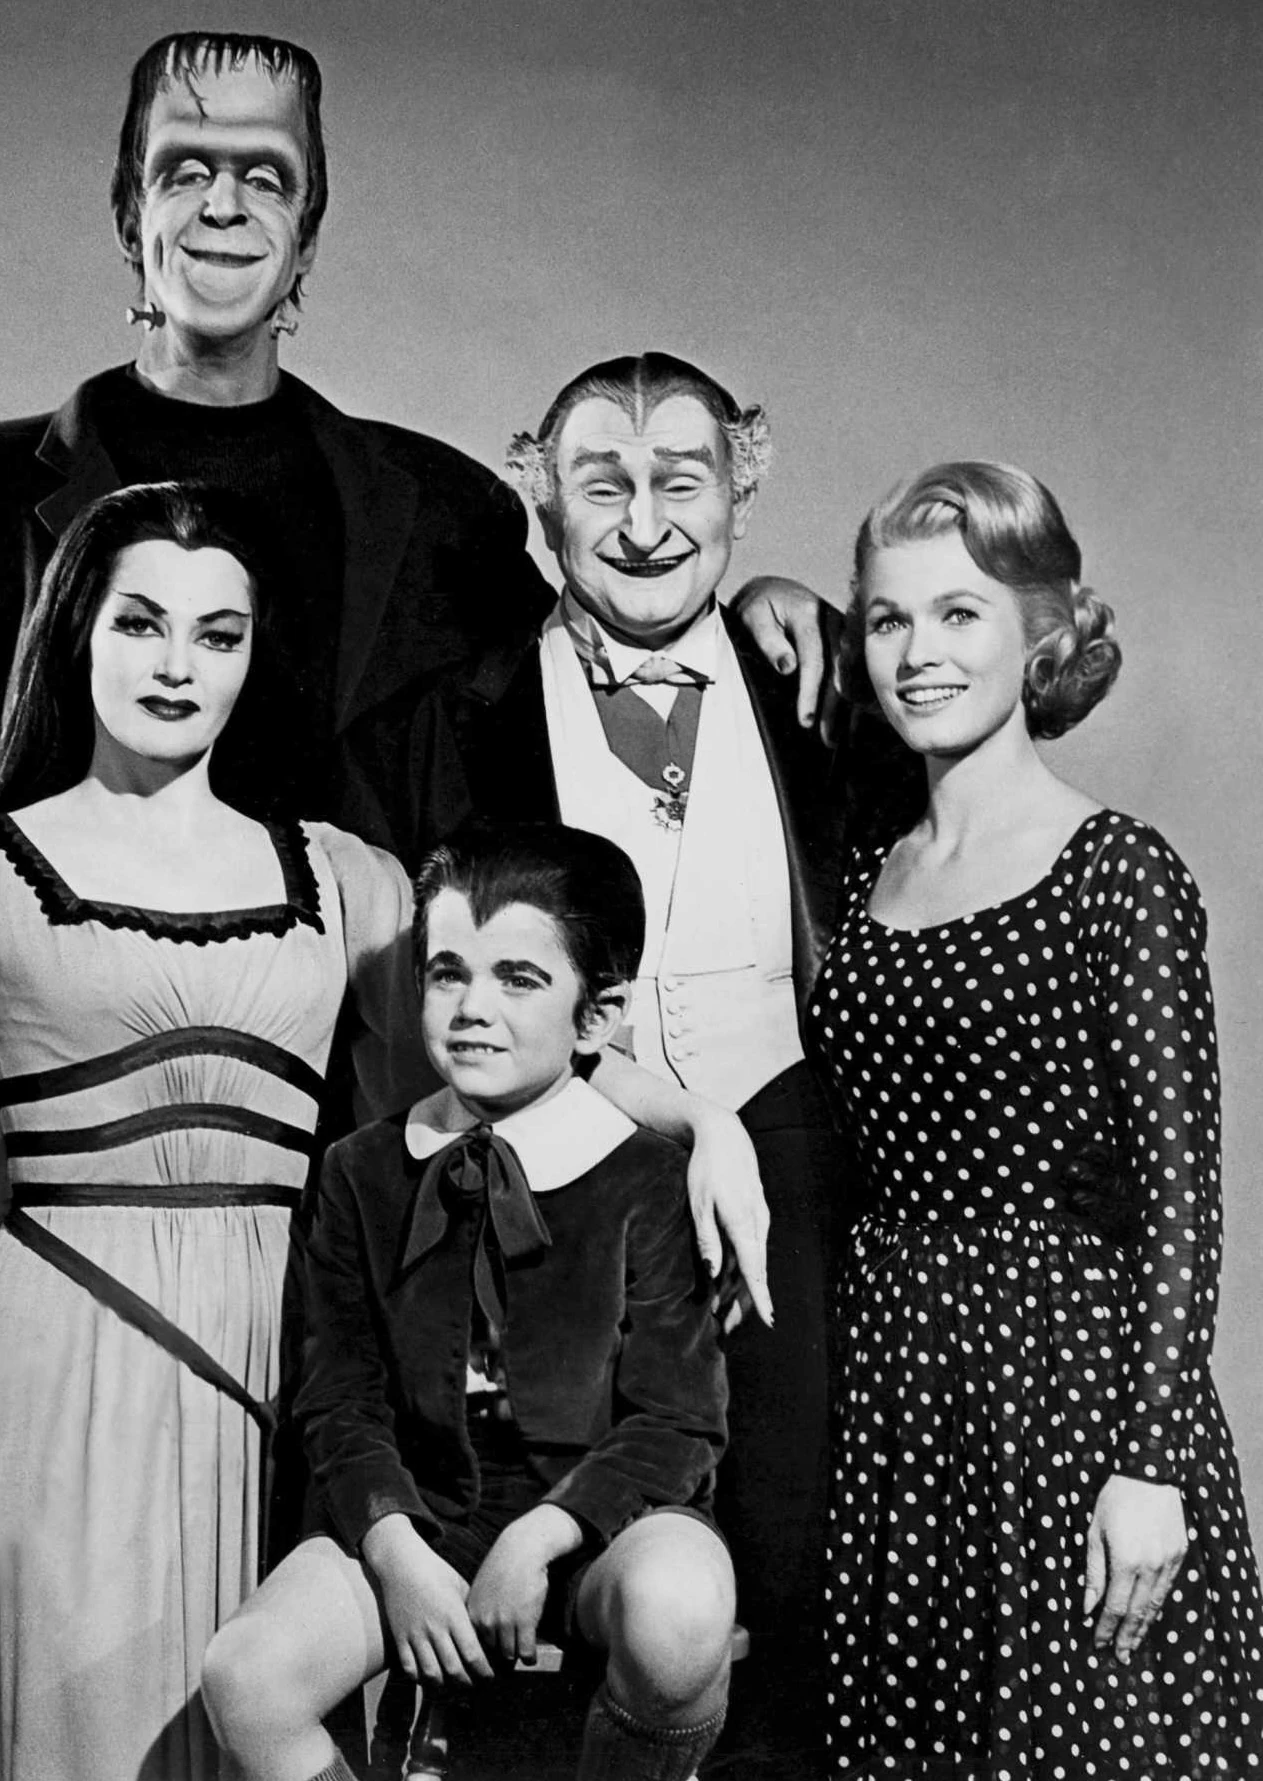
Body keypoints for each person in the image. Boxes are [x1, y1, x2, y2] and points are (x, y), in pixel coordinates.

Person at [0, 28, 824, 957]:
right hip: (60, 1056)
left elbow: (589, 669)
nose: (224, 204)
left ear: (308, 236)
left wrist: (746, 615)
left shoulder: (446, 512)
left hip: (362, 1072)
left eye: (266, 177)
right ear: (127, 216)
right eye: (183, 171)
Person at [0, 482, 437, 1779]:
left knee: (260, 1720)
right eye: (139, 622)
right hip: (57, 1366)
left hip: (285, 1379)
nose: (177, 664)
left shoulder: (353, 882)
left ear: (256, 656)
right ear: (75, 630)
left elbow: (469, 1117)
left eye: (217, 634)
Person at [354, 352, 917, 1773]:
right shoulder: (448, 720)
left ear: (746, 480)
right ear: (535, 485)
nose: (647, 523)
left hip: (796, 1174)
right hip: (548, 1186)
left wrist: (812, 613)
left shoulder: (825, 690)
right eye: (603, 483)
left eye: (683, 480)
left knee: (791, 1556)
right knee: (541, 1578)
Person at [807, 461, 1263, 1773]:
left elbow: (1181, 1197)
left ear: (1040, 634)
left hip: (1067, 1386)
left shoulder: (1116, 872)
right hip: (897, 1386)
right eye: (886, 618)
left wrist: (1151, 1465)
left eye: (958, 613)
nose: (916, 652)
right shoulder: (857, 869)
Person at [201, 823, 735, 1781]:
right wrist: (394, 1549)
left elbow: (677, 1420)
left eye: (517, 979)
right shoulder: (361, 1171)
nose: (472, 1008)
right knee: (246, 1674)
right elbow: (338, 1397)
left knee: (681, 1611)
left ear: (596, 1016)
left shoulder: (648, 1176)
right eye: (447, 973)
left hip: (598, 1523)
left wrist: (541, 1536)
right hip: (421, 1514)